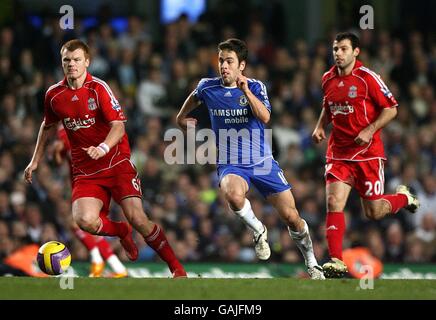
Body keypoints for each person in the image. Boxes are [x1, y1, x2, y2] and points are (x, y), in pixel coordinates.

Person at [24, 39, 187, 278]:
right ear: (62, 63)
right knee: (84, 220)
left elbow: (119, 126)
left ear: (87, 62)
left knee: (139, 219)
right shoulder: (54, 95)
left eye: (77, 60)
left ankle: (176, 268)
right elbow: (47, 126)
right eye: (67, 60)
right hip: (85, 170)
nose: (72, 65)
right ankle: (121, 231)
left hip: (116, 162)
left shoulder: (98, 89)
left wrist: (103, 147)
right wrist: (35, 160)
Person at [176, 38, 325, 279]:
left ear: (241, 65)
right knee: (233, 195)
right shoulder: (206, 87)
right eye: (221, 60)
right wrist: (186, 123)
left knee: (292, 217)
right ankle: (258, 230)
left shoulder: (255, 87)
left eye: (229, 61)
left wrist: (245, 90)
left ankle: (311, 261)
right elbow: (185, 112)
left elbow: (265, 117)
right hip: (231, 162)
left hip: (261, 161)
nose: (224, 65)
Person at [312, 32, 420, 278]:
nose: (337, 53)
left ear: (355, 52)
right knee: (333, 202)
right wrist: (320, 126)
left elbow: (391, 108)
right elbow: (328, 105)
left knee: (373, 212)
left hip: (368, 155)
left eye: (343, 49)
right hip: (339, 153)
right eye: (335, 49)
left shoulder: (368, 78)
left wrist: (370, 130)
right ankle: (336, 261)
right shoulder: (327, 78)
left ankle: (403, 198)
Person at [51, 125, 128, 278]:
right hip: (86, 183)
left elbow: (70, 151)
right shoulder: (69, 128)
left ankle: (97, 259)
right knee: (92, 228)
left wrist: (59, 149)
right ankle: (118, 269)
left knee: (76, 223)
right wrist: (56, 152)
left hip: (90, 184)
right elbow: (60, 160)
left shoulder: (66, 129)